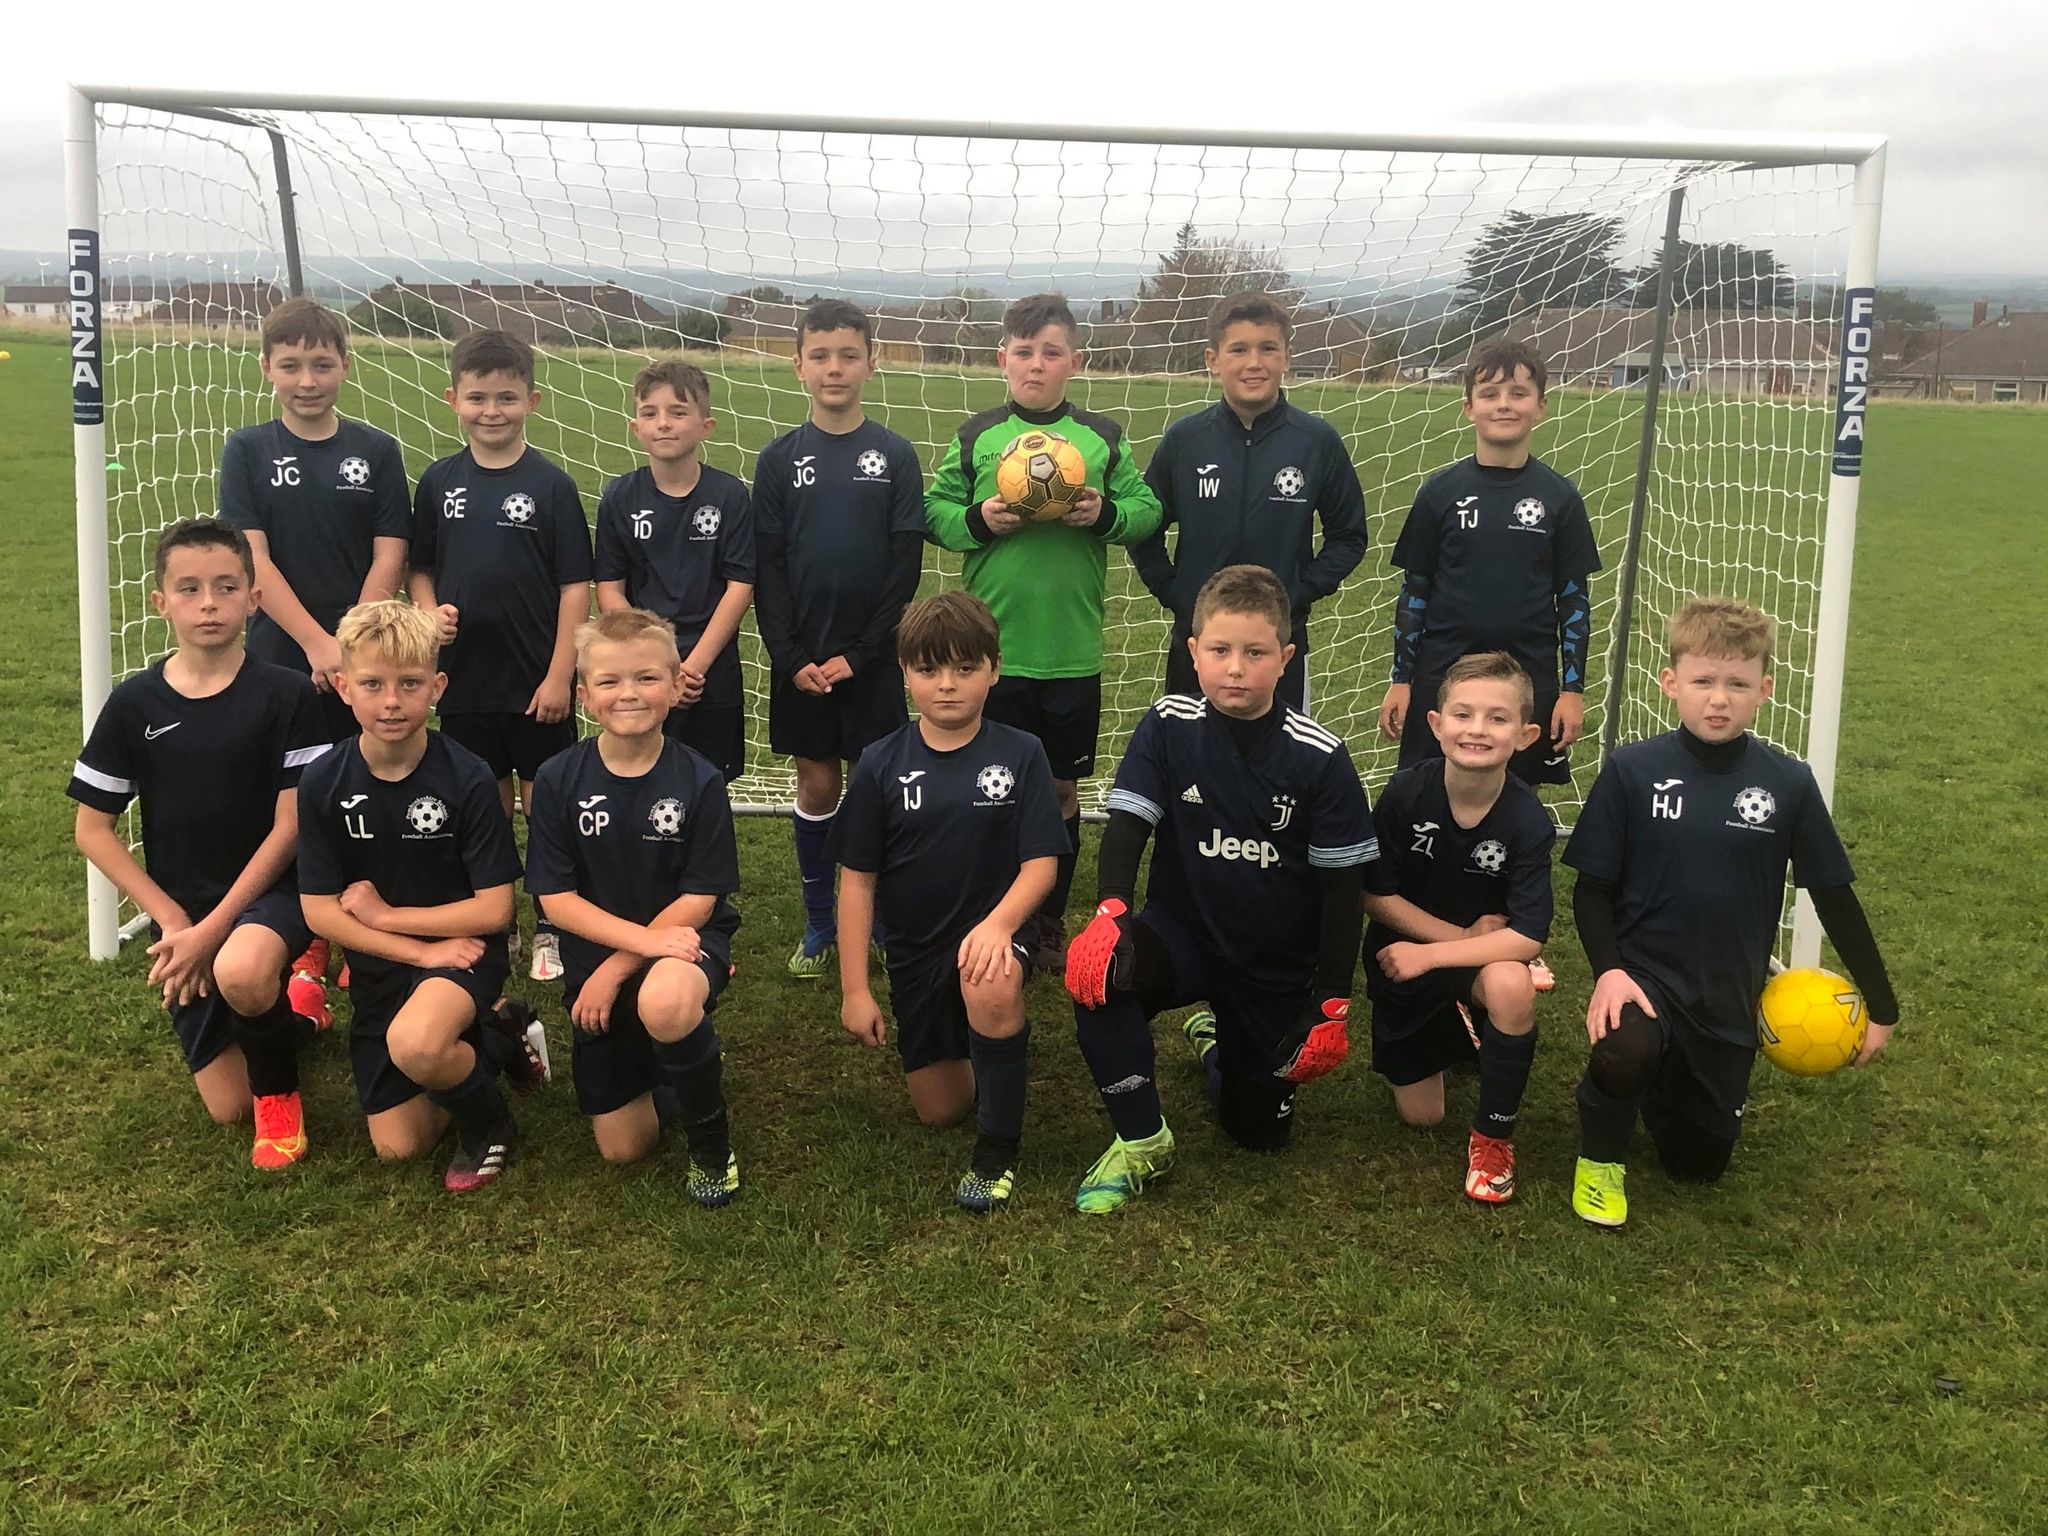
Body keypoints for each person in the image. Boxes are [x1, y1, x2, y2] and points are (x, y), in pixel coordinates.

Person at [1566, 597, 1899, 1227]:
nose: (1718, 699)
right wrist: (1609, 971)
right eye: (1703, 681)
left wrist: (1881, 1006)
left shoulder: (1788, 783)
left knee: (1698, 1165)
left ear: (1764, 691)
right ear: (1671, 684)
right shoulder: (1633, 771)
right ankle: (1600, 1160)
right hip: (1644, 978)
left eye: (1738, 684)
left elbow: (1832, 895)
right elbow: (1592, 890)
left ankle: (1665, 1082)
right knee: (1625, 1051)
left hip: (1727, 996)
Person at [1064, 564, 1373, 1213]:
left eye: (1255, 653)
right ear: (1193, 652)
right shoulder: (1169, 723)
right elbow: (1128, 825)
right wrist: (1111, 911)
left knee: (1257, 1134)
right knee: (1100, 976)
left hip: (1272, 961)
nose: (1236, 668)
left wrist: (1331, 999)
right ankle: (1142, 1139)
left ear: (1285, 658)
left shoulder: (1320, 756)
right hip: (1183, 936)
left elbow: (1344, 891)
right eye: (1220, 650)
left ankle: (1221, 1049)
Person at [69, 518, 333, 1168]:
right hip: (187, 913)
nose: (209, 603)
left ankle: (280, 1101)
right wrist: (174, 921)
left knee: (240, 969)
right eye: (189, 589)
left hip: (278, 894)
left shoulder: (288, 694)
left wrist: (214, 932)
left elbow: (292, 827)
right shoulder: (134, 703)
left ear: (253, 598)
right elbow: (92, 829)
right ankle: (297, 1011)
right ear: (161, 602)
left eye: (226, 586)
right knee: (224, 1106)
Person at [927, 292, 1163, 970]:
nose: (1036, 364)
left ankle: (1050, 920)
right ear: (1003, 359)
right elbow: (933, 509)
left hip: (1069, 653)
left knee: (1059, 791)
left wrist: (1103, 513)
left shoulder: (1100, 437)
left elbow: (1147, 510)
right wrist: (977, 520)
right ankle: (988, 910)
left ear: (1074, 362)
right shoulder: (977, 435)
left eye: (1051, 352)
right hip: (988, 655)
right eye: (1025, 352)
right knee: (985, 784)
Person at [295, 600, 546, 1193]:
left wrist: (390, 918)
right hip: (391, 964)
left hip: (465, 954)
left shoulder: (468, 776)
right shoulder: (323, 780)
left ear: (437, 688)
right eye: (373, 684)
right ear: (343, 686)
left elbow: (495, 910)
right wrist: (415, 950)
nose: (391, 701)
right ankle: (498, 1036)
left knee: (416, 1044)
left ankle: (489, 1124)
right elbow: (318, 910)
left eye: (409, 684)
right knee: (398, 1146)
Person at [829, 592, 1068, 1211]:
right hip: (916, 951)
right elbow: (857, 880)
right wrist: (855, 990)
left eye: (965, 668)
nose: (947, 685)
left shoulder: (1021, 752)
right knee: (940, 1110)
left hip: (996, 934)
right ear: (904, 673)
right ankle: (987, 1044)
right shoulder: (880, 763)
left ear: (995, 669)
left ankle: (997, 1150)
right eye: (929, 669)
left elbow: (1042, 863)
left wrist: (999, 925)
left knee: (989, 979)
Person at [219, 296, 412, 1017]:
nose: (308, 379)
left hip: (364, 661)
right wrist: (316, 644)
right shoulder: (247, 449)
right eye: (292, 364)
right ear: (266, 367)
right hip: (282, 656)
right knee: (299, 796)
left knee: (368, 786)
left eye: (322, 364)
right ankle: (307, 933)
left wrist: (353, 645)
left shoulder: (376, 451)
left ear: (345, 367)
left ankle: (367, 927)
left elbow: (391, 551)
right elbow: (253, 558)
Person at [526, 609, 744, 1207]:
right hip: (599, 958)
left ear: (675, 686)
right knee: (624, 1149)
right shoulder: (557, 778)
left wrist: (622, 966)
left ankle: (711, 1145)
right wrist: (623, 956)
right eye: (610, 680)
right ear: (584, 695)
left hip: (681, 945)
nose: (629, 693)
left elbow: (700, 900)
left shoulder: (699, 780)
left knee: (666, 999)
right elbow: (555, 901)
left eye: (647, 678)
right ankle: (677, 1061)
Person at [409, 328, 593, 984]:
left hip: (536, 684)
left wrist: (560, 674)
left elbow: (576, 588)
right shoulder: (439, 483)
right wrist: (429, 612)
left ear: (532, 402)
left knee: (546, 808)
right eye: (478, 398)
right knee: (483, 810)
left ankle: (551, 923)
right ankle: (495, 921)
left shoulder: (551, 485)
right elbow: (420, 569)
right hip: (464, 684)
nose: (492, 411)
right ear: (453, 399)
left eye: (507, 398)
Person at [751, 300, 925, 978]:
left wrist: (861, 654)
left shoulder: (895, 455)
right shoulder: (778, 460)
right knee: (818, 783)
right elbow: (768, 568)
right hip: (802, 662)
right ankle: (821, 920)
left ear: (871, 365)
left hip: (872, 661)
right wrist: (791, 657)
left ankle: (875, 920)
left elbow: (904, 569)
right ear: (798, 366)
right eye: (820, 356)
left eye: (848, 355)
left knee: (874, 785)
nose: (834, 368)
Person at [1361, 652, 1556, 1203]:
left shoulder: (1528, 820)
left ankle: (1493, 1139)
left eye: (1498, 718)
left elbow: (1528, 938)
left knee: (1511, 984)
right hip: (1401, 957)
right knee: (1422, 1116)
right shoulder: (1405, 793)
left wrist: (1437, 954)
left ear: (1525, 735)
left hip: (1459, 959)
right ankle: (1462, 1025)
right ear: (1436, 724)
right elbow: (1373, 894)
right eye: (1463, 714)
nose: (1477, 730)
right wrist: (1461, 940)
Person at [1376, 340, 1600, 790]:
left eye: (1518, 393)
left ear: (1540, 407)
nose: (1504, 404)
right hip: (1442, 670)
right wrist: (1402, 680)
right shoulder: (1438, 493)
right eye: (1490, 393)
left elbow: (1574, 600)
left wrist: (1572, 690)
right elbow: (1415, 591)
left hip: (1529, 673)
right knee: (1428, 788)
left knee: (1518, 792)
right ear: (1469, 408)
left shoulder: (1560, 498)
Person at [1131, 290, 1366, 711]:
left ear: (1287, 357)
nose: (1254, 362)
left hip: (1277, 643)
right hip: (1200, 641)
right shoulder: (1186, 440)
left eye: (1268, 349)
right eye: (1238, 349)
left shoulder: (1316, 441)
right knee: (1189, 748)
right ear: (1213, 359)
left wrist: (1299, 592)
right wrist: (1175, 592)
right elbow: (1145, 525)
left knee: (1280, 750)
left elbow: (1349, 535)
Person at [594, 359, 755, 787]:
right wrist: (655, 661)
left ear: (706, 426)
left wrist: (690, 668)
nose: (663, 423)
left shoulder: (729, 495)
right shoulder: (620, 496)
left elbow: (740, 587)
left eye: (678, 412)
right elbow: (609, 589)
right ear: (636, 427)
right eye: (650, 413)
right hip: (642, 671)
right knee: (641, 777)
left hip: (709, 671)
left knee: (708, 783)